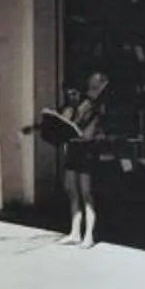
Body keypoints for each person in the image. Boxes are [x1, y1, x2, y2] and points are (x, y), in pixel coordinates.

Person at [29, 70, 113, 247]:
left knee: (86, 194)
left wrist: (75, 130)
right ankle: (75, 232)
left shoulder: (94, 107)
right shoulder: (72, 107)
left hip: (86, 152)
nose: (70, 95)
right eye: (68, 92)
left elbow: (88, 134)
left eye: (74, 92)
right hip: (73, 152)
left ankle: (89, 234)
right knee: (72, 192)